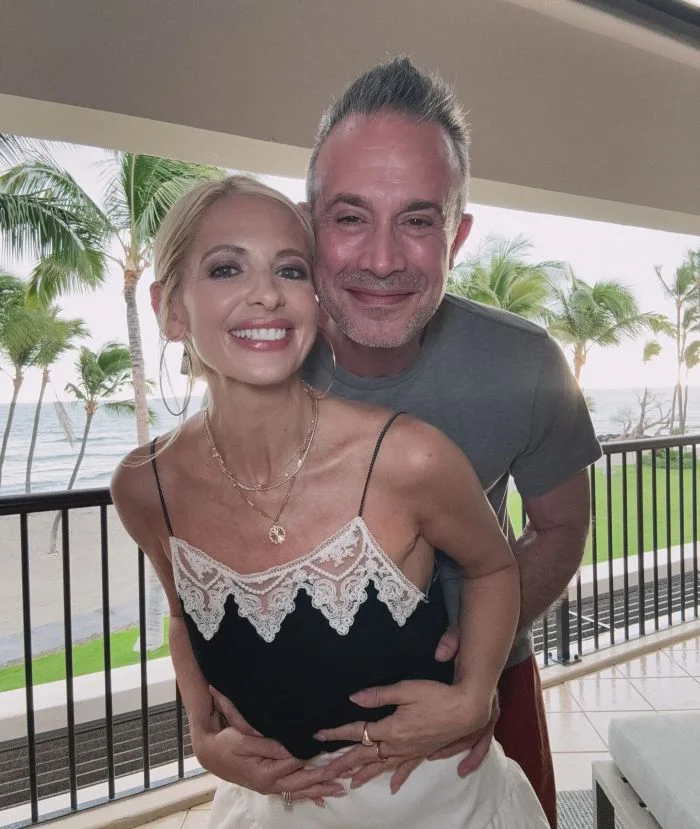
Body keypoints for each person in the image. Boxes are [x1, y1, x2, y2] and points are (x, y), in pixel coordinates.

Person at [111, 175, 550, 828]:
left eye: (290, 269)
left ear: (314, 304)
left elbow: (492, 565)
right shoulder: (145, 487)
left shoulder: (408, 457)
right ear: (170, 309)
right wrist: (202, 732)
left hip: (439, 804)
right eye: (227, 267)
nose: (267, 293)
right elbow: (183, 614)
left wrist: (472, 694)